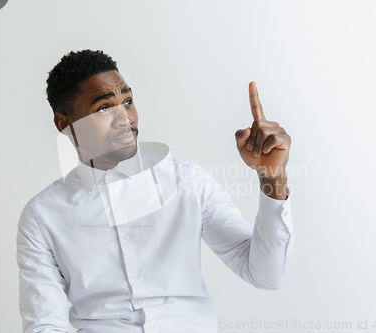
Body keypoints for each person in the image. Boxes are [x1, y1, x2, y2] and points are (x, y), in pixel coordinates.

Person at [16, 49, 293, 333]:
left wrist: (273, 178)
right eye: (103, 108)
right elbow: (45, 324)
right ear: (65, 124)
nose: (125, 118)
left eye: (128, 101)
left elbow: (266, 275)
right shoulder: (42, 216)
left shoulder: (188, 181)